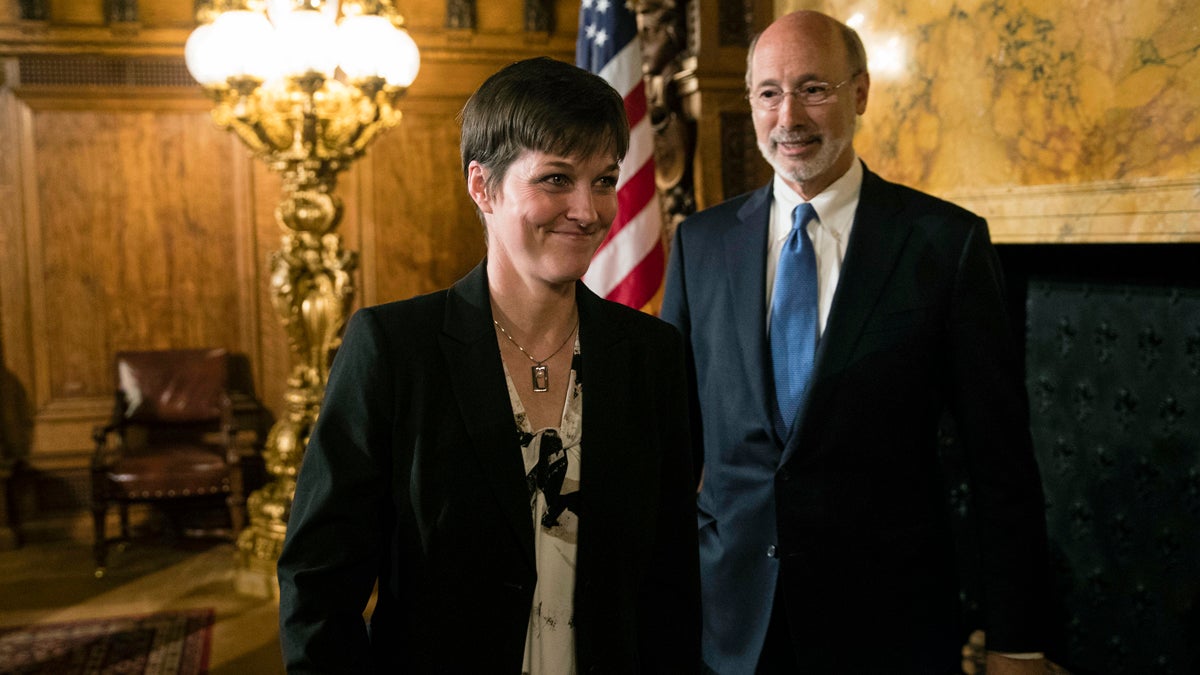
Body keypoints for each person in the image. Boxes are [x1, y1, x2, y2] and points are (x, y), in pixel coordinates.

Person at [278, 56, 700, 674]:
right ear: (482, 185)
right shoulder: (394, 350)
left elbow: (670, 586)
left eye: (604, 180)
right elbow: (318, 587)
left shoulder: (653, 355)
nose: (588, 210)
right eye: (556, 179)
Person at [661, 10, 1050, 675]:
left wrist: (1016, 639)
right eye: (768, 93)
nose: (789, 116)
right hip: (729, 624)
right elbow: (669, 450)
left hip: (888, 625)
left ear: (860, 93)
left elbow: (1001, 461)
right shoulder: (700, 244)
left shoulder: (944, 244)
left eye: (813, 88)